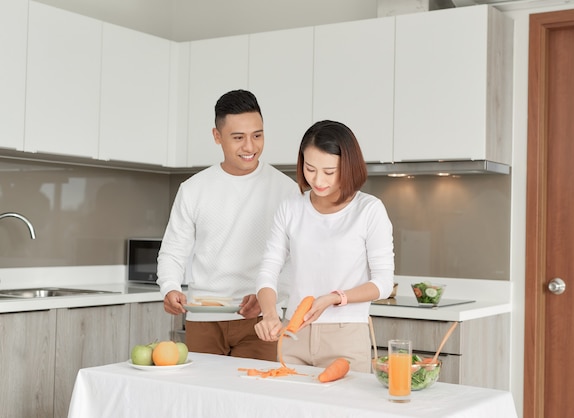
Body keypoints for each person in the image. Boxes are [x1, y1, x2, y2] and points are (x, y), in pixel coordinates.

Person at [156, 89, 299, 361]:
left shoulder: (286, 191)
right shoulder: (193, 189)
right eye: (238, 138)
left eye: (257, 135)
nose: (250, 147)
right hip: (203, 319)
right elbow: (174, 250)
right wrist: (170, 287)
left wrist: (271, 296)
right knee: (202, 399)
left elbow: (295, 258)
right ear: (217, 136)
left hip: (259, 321)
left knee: (254, 398)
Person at [254, 120, 395, 372]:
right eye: (310, 168)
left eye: (330, 172)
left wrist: (335, 298)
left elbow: (383, 283)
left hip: (346, 337)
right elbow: (268, 270)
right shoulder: (291, 207)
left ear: (349, 166)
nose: (318, 180)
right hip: (293, 336)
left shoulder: (369, 210)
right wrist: (269, 314)